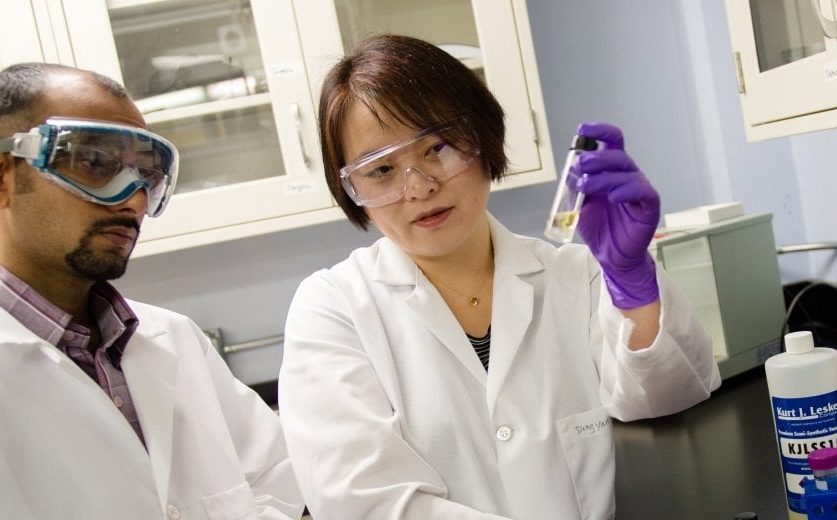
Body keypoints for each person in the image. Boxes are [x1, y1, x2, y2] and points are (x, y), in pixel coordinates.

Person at [0, 63, 305, 519]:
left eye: (146, 174)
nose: (131, 198)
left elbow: (283, 489)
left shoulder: (174, 340)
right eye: (97, 163)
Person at [279, 34, 722, 519]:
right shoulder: (333, 310)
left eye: (438, 148)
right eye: (382, 169)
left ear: (482, 139)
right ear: (351, 189)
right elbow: (365, 505)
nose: (421, 187)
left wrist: (632, 280)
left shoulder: (575, 277)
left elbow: (672, 392)